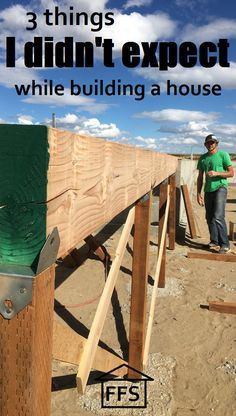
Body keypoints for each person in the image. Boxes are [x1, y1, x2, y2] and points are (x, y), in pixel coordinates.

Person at [197, 134, 234, 254]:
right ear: (205, 144)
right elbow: (199, 177)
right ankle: (214, 241)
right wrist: (198, 193)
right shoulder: (202, 158)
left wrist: (217, 173)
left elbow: (231, 173)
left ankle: (225, 244)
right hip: (208, 190)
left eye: (212, 142)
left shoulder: (223, 155)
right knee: (209, 217)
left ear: (216, 143)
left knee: (218, 216)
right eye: (208, 143)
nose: (210, 144)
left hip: (220, 188)